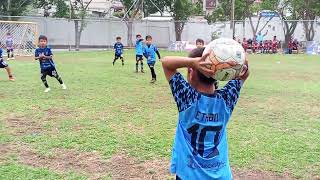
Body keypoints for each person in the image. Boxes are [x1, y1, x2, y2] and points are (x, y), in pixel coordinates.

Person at [162, 47, 249, 180]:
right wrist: (227, 61)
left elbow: (166, 63)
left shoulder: (186, 98)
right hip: (220, 175)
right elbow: (245, 73)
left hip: (189, 176)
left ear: (191, 72)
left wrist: (192, 62)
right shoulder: (227, 99)